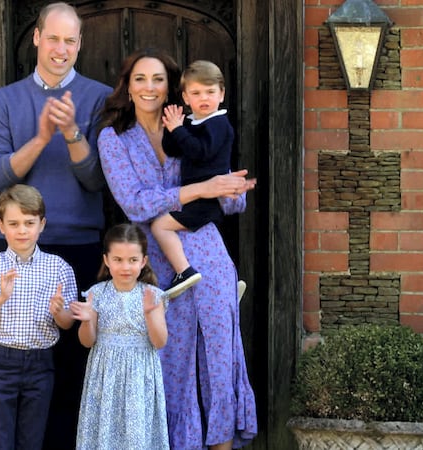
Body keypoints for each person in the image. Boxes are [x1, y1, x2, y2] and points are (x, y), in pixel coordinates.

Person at [96, 48, 258, 450]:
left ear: (172, 88)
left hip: (208, 249)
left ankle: (222, 443)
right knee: (169, 363)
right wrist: (202, 189)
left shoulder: (195, 123)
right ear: (127, 87)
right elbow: (134, 202)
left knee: (220, 359)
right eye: (140, 79)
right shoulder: (113, 137)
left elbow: (228, 198)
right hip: (155, 261)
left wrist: (232, 189)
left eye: (157, 79)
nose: (149, 87)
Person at [0, 3, 112, 447]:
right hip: (17, 251)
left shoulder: (100, 98)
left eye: (70, 40)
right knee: (14, 369)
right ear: (36, 38)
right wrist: (40, 138)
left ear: (80, 44)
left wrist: (73, 133)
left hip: (78, 248)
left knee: (73, 368)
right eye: (52, 38)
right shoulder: (5, 100)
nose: (61, 49)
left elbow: (97, 180)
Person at [0, 184, 77, 450]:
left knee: (32, 439)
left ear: (42, 224)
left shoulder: (58, 268)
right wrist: (1, 298)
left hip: (40, 363)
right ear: (1, 226)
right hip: (1, 362)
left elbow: (67, 323)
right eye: (14, 223)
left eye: (29, 222)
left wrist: (59, 311)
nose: (22, 230)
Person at [70, 223, 169, 450]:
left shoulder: (153, 296)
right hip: (105, 375)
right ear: (106, 260)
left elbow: (160, 342)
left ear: (143, 261)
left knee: (136, 435)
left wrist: (151, 314)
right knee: (105, 432)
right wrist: (86, 320)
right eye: (118, 259)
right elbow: (87, 341)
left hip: (139, 375)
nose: (126, 267)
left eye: (133, 260)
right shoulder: (97, 293)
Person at [152, 60, 234, 299]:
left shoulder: (218, 123)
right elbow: (173, 149)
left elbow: (200, 152)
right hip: (195, 196)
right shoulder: (193, 122)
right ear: (186, 98)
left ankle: (184, 271)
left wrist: (179, 130)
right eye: (196, 93)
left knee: (160, 225)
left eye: (210, 92)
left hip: (206, 200)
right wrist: (172, 128)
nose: (204, 98)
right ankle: (222, 284)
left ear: (222, 94)